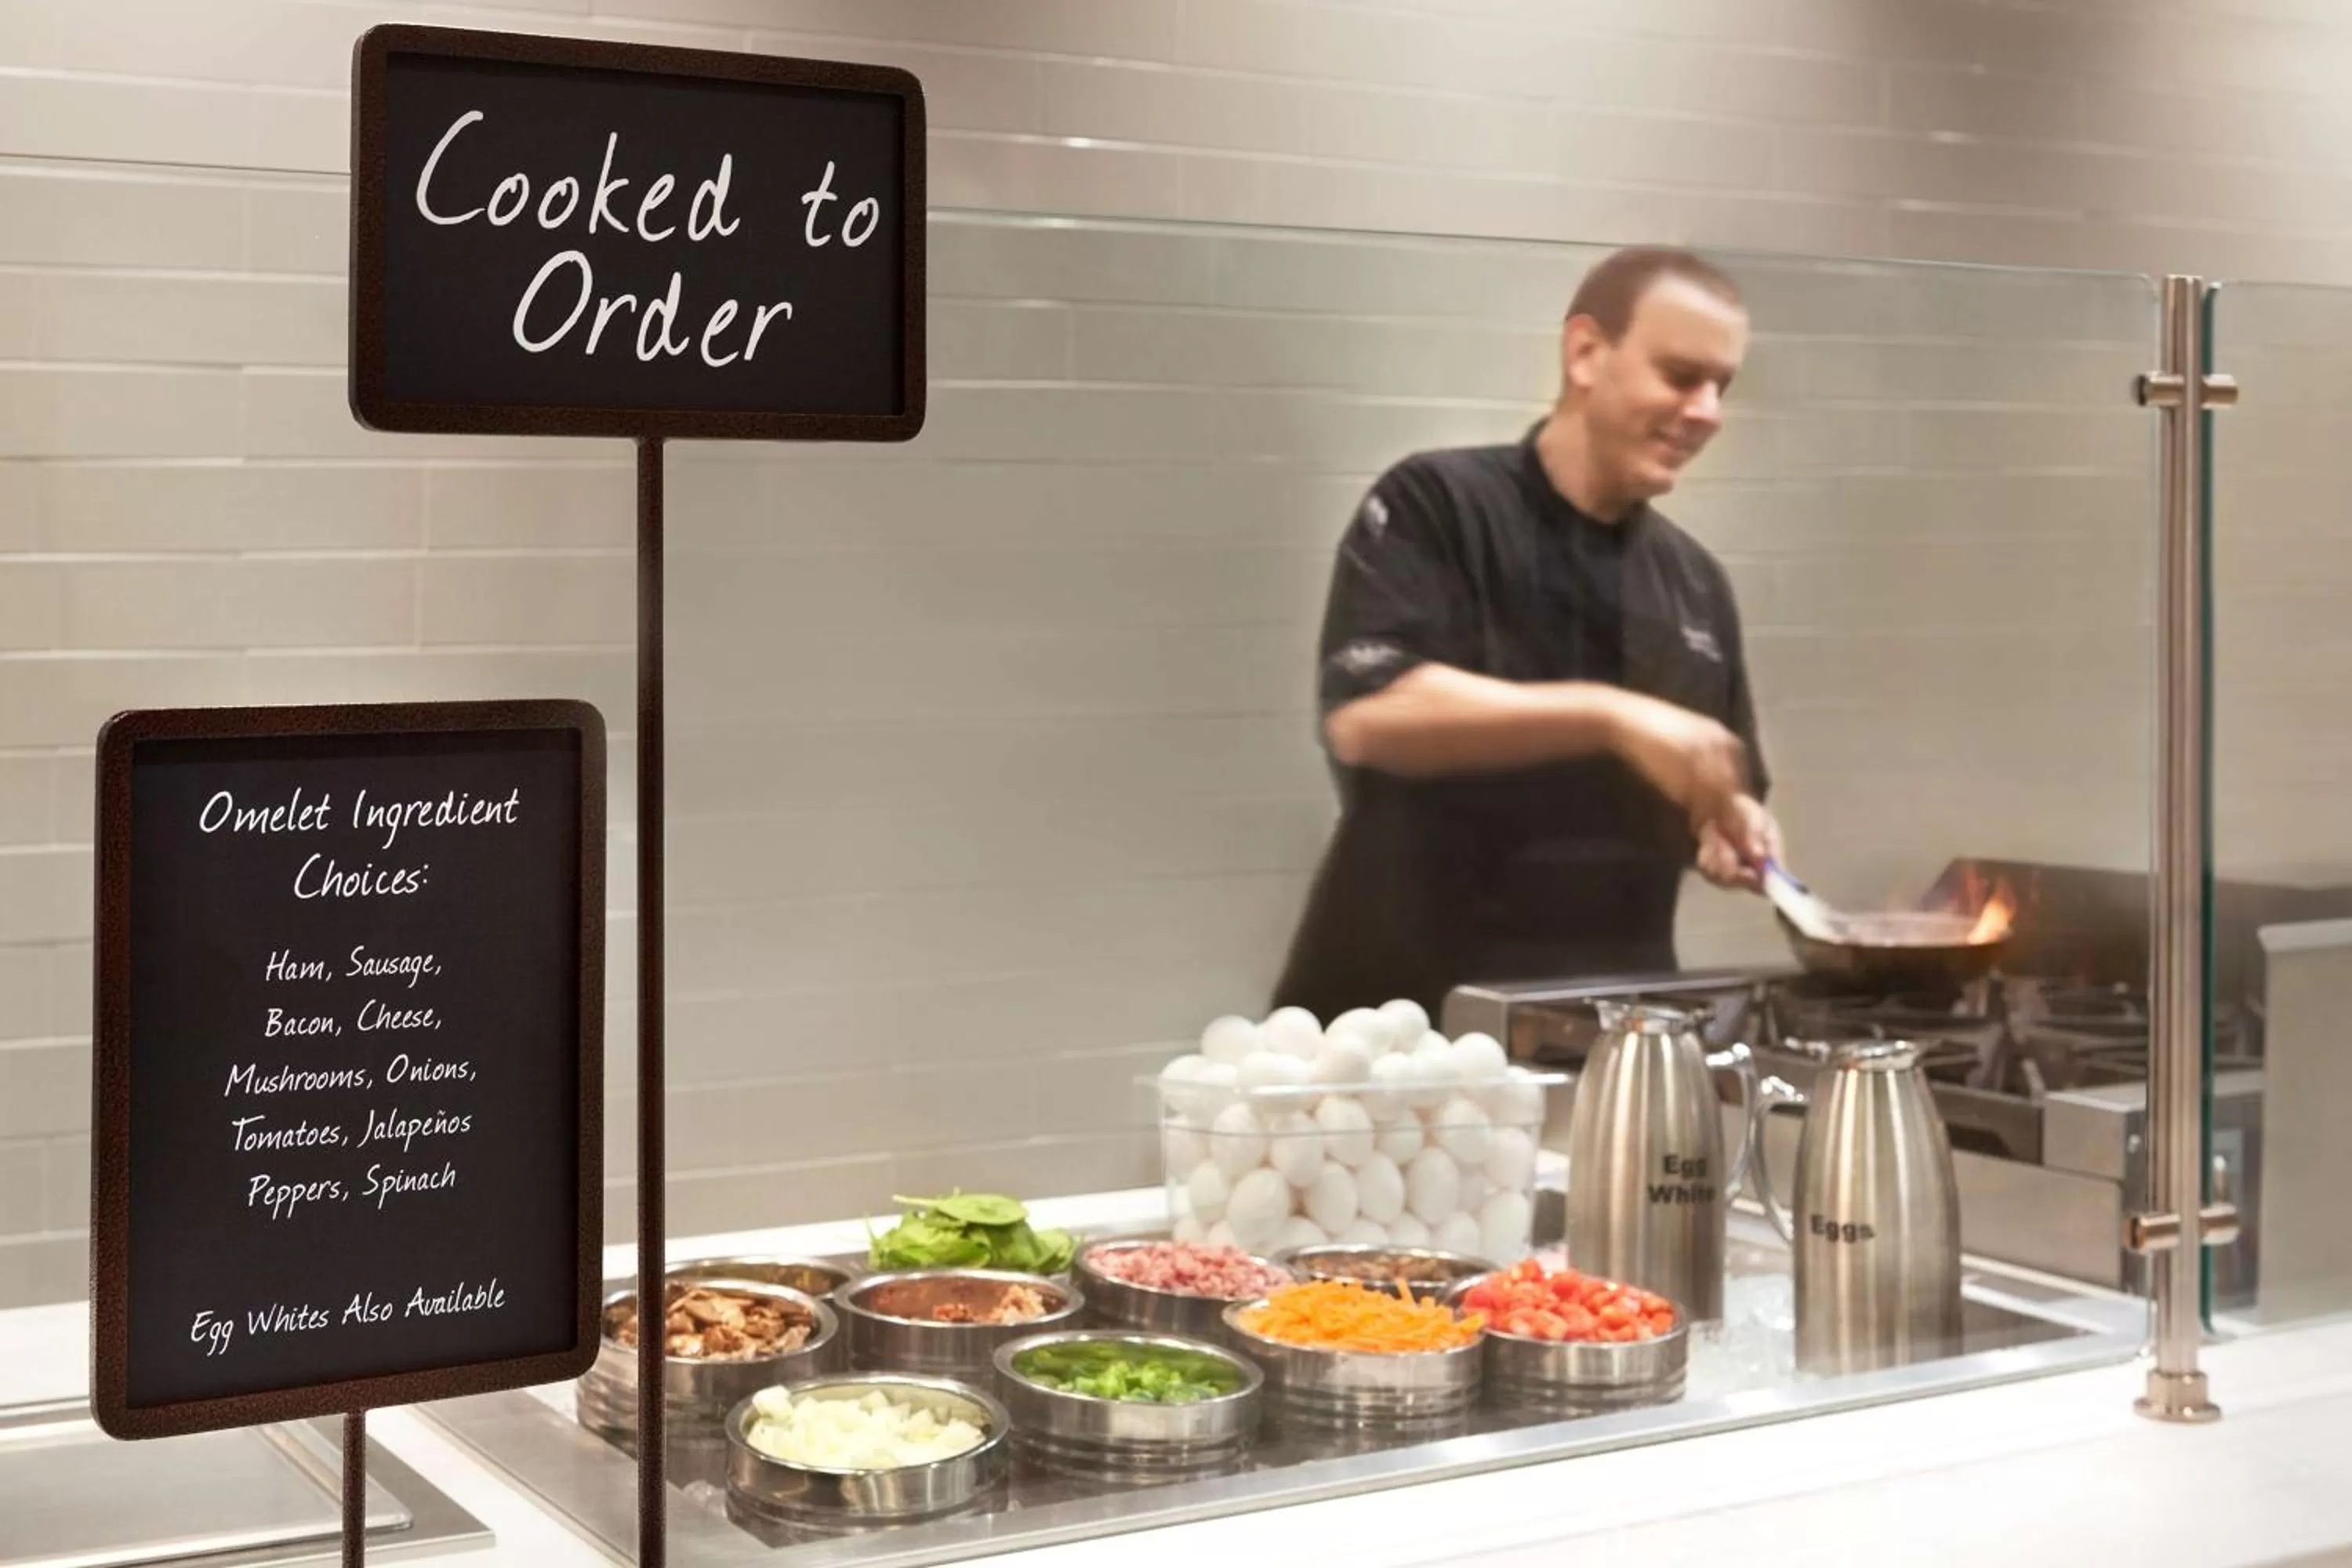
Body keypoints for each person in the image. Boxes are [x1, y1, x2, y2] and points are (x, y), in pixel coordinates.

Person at [1271, 247, 1780, 1022]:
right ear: (1585, 352)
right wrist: (1610, 716)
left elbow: (1717, 789)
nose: (1708, 410)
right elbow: (1368, 717)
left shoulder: (1696, 584)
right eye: (1681, 375)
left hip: (1606, 1037)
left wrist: (1726, 823)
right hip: (1401, 1033)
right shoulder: (1437, 503)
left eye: (1723, 386)